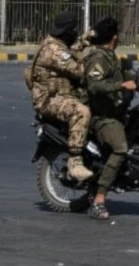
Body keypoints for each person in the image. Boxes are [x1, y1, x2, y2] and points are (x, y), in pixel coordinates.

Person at [83, 16, 139, 219]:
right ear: (114, 37)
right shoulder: (98, 58)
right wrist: (121, 86)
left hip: (120, 112)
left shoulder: (113, 58)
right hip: (103, 117)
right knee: (120, 149)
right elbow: (94, 86)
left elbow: (132, 77)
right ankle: (98, 201)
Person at [24, 10, 94, 182]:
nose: (76, 33)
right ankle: (75, 161)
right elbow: (78, 71)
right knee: (81, 111)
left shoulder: (57, 45)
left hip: (60, 96)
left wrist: (84, 42)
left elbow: (70, 54)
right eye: (74, 29)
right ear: (67, 31)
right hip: (49, 101)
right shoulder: (54, 50)